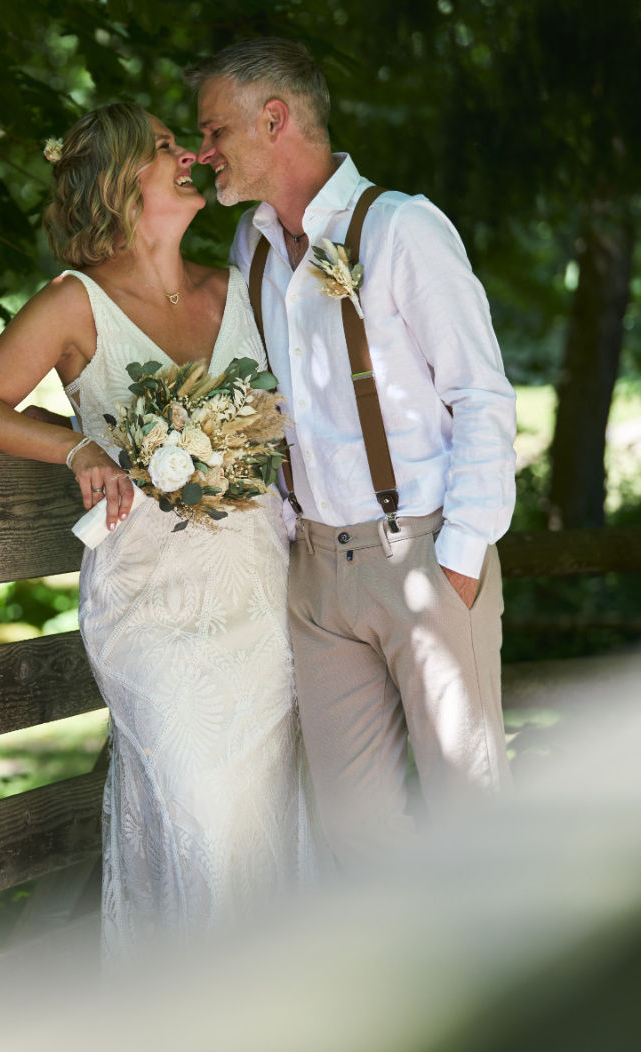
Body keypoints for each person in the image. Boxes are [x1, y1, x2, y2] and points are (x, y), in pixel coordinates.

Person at [0, 102, 314, 956]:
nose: (190, 154)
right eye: (166, 147)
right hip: (150, 612)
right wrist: (74, 447)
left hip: (261, 604)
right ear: (120, 178)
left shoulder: (239, 286)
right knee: (204, 825)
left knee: (262, 831)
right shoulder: (76, 306)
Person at [187, 39, 517, 869]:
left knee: (468, 813)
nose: (204, 152)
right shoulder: (253, 248)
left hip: (424, 554)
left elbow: (480, 394)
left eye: (216, 130)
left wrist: (464, 556)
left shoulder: (403, 229)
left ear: (275, 120)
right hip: (315, 574)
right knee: (356, 836)